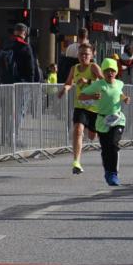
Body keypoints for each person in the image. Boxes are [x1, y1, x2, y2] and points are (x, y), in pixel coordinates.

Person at [79, 57, 131, 186]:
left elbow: (118, 94)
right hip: (102, 120)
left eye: (112, 70)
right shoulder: (98, 85)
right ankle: (108, 171)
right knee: (106, 149)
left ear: (116, 71)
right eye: (107, 70)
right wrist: (92, 96)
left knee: (113, 144)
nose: (110, 73)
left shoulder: (119, 83)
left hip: (117, 119)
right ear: (103, 71)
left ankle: (113, 173)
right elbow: (81, 96)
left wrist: (124, 98)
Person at [57, 42, 104, 175]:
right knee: (77, 130)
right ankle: (76, 162)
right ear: (77, 55)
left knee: (92, 135)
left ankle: (93, 132)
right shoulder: (74, 68)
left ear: (91, 55)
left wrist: (88, 82)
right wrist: (64, 89)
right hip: (80, 106)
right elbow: (69, 83)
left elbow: (105, 82)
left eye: (86, 54)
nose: (83, 56)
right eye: (81, 54)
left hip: (94, 108)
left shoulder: (94, 67)